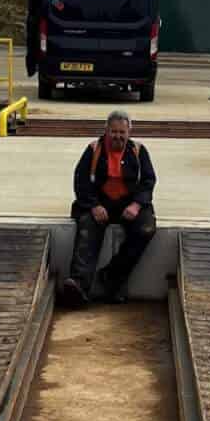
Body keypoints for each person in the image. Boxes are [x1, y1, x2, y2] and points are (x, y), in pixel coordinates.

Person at [60, 110, 157, 307]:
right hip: (99, 203)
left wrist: (137, 204)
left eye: (122, 132)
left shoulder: (138, 151)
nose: (118, 137)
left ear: (129, 132)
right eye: (114, 132)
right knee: (87, 227)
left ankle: (111, 277)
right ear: (106, 130)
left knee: (145, 229)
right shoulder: (93, 149)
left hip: (129, 204)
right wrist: (93, 205)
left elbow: (148, 181)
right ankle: (79, 284)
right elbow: (81, 181)